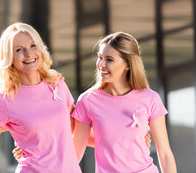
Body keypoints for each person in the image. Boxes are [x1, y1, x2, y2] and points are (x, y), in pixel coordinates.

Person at [72, 32, 177, 173]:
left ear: (128, 64)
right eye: (100, 58)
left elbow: (165, 154)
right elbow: (74, 154)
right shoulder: (88, 100)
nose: (101, 64)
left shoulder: (150, 98)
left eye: (109, 59)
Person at [0, 22, 82, 173]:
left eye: (33, 46)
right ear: (9, 57)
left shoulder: (58, 85)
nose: (28, 54)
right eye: (19, 50)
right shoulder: (4, 99)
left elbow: (76, 129)